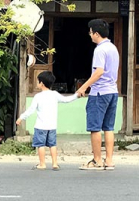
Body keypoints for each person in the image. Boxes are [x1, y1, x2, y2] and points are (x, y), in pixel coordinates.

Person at [76, 18, 120, 171]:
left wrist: (84, 87)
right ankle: (109, 160)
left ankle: (97, 160)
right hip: (113, 91)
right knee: (109, 127)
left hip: (99, 92)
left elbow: (99, 71)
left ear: (96, 33)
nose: (89, 35)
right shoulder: (113, 48)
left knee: (95, 127)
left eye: (90, 32)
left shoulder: (100, 49)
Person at [16, 71, 79, 170]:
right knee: (52, 145)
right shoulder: (54, 94)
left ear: (41, 83)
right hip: (52, 126)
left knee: (40, 145)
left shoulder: (38, 96)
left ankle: (42, 164)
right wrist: (76, 95)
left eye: (38, 81)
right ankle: (55, 163)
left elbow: (31, 110)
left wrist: (21, 117)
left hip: (40, 126)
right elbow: (66, 100)